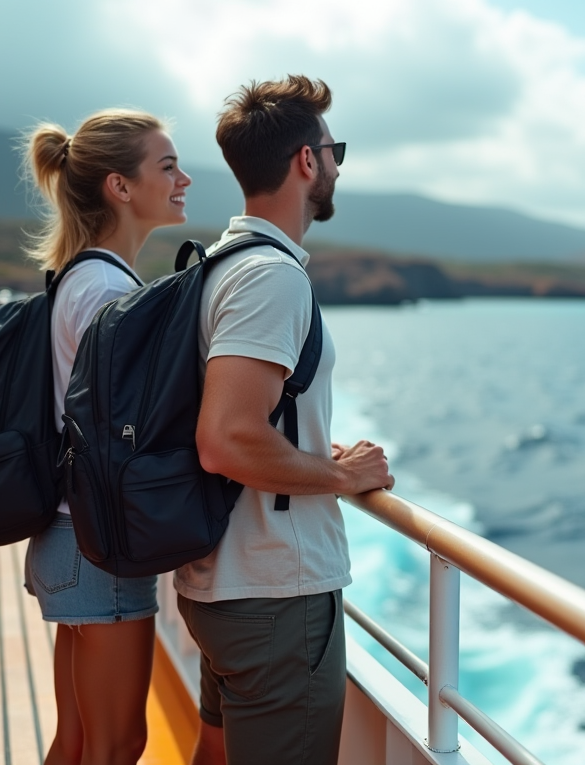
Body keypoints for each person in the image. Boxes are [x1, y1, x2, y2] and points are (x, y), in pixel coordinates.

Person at [175, 75, 394, 765]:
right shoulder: (271, 276)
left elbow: (241, 416)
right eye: (334, 152)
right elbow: (226, 437)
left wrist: (305, 446)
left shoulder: (218, 264)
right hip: (273, 594)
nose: (334, 167)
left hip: (225, 584)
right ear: (307, 161)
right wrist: (339, 472)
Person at [21, 109, 192, 765]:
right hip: (100, 548)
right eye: (167, 166)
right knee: (118, 746)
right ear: (121, 187)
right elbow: (130, 427)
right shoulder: (106, 290)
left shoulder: (82, 277)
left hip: (67, 538)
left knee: (78, 743)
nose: (183, 180)